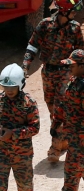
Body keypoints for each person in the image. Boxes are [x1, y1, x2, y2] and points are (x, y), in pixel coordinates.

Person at [23, 0, 84, 163]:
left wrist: (82, 76)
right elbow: (33, 44)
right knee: (52, 109)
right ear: (64, 11)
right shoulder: (45, 25)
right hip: (48, 72)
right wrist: (26, 64)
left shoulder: (75, 28)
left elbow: (80, 54)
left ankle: (54, 149)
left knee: (60, 110)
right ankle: (64, 140)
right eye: (72, 10)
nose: (75, 13)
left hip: (66, 73)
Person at [52, 50, 84, 191]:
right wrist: (57, 122)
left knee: (72, 167)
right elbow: (65, 103)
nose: (69, 69)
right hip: (73, 132)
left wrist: (83, 140)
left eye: (72, 66)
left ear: (82, 66)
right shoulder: (75, 81)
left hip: (83, 134)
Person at [0, 63, 39, 191]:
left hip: (22, 155)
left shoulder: (28, 103)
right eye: (5, 86)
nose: (9, 90)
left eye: (12, 87)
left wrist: (13, 133)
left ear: (20, 85)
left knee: (25, 187)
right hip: (2, 153)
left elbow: (34, 128)